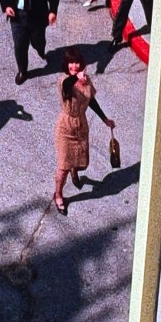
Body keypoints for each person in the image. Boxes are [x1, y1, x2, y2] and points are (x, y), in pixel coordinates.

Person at [53, 47, 116, 214]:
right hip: (66, 127)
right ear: (66, 65)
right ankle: (58, 194)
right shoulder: (64, 80)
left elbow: (91, 101)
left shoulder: (86, 81)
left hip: (81, 125)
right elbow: (67, 86)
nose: (74, 65)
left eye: (76, 62)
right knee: (63, 166)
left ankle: (75, 173)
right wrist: (76, 77)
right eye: (70, 63)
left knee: (82, 162)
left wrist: (105, 119)